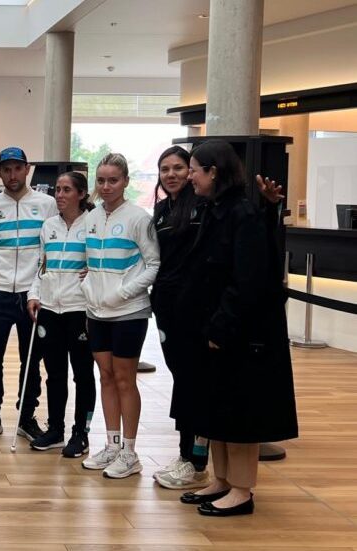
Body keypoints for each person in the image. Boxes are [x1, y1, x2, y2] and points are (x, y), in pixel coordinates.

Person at [177, 140, 297, 517]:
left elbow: (247, 280)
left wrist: (221, 327)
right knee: (216, 409)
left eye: (194, 170)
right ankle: (222, 480)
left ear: (213, 172)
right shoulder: (215, 209)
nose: (190, 176)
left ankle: (242, 489)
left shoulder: (241, 213)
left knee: (239, 412)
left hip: (237, 334)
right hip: (212, 327)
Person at [79, 153, 160, 479]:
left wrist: (123, 292)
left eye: (113, 180)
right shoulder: (91, 217)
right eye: (101, 180)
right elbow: (91, 262)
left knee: (126, 379)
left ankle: (129, 451)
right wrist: (88, 286)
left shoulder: (139, 218)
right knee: (106, 377)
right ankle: (112, 445)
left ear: (125, 181)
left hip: (129, 312)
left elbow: (153, 264)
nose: (106, 186)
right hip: (96, 311)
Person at [0, 147, 57, 441]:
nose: (12, 175)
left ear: (27, 169)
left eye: (17, 168)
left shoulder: (47, 204)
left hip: (32, 293)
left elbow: (49, 250)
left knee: (31, 359)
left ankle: (26, 416)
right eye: (6, 169)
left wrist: (36, 284)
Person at [147, 146, 211, 490]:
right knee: (182, 378)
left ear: (191, 171)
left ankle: (196, 460)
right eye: (164, 169)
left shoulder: (204, 206)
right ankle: (187, 455)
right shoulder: (160, 211)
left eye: (178, 168)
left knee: (195, 380)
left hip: (196, 308)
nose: (170, 175)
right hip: (166, 305)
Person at [26, 171, 96, 458]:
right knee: (54, 373)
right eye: (57, 189)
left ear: (81, 194)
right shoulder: (49, 226)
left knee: (83, 374)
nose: (60, 195)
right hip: (49, 309)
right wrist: (33, 294)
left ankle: (81, 433)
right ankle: (56, 429)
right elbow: (41, 266)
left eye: (67, 190)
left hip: (79, 309)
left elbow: (101, 264)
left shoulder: (92, 225)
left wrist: (94, 273)